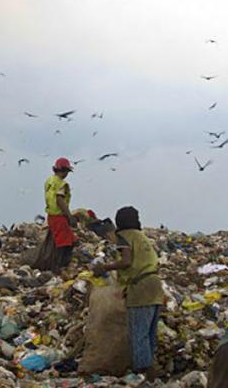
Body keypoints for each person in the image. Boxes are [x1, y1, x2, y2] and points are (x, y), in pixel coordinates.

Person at [93, 206, 164, 379]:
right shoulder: (142, 237)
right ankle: (151, 369)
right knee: (149, 333)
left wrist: (104, 267)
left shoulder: (124, 236)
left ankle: (142, 372)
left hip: (140, 288)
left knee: (138, 333)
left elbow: (126, 261)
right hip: (155, 286)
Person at [43, 157, 78, 271]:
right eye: (67, 171)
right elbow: (60, 200)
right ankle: (57, 266)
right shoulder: (61, 184)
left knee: (71, 240)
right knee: (63, 242)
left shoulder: (49, 181)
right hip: (59, 216)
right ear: (63, 170)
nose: (67, 173)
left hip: (51, 216)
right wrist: (70, 216)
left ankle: (63, 264)